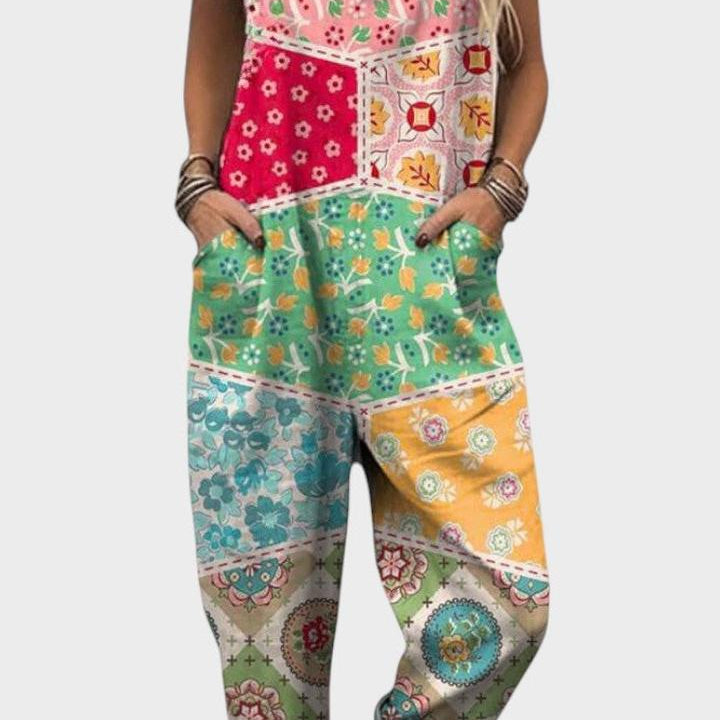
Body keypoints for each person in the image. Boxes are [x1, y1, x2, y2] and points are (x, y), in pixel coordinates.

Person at [178, 1, 550, 718]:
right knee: (267, 664)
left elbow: (525, 62)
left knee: (508, 604)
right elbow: (216, 31)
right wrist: (197, 182)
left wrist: (501, 190)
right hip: (270, 285)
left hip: (430, 297)